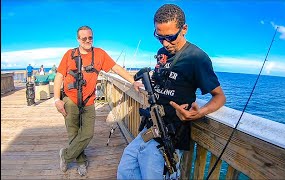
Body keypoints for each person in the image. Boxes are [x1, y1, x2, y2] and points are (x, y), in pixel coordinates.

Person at [117, 4, 226, 179]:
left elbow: (220, 96)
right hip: (149, 128)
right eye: (159, 37)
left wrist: (199, 113)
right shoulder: (162, 52)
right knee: (125, 170)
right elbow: (161, 80)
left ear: (184, 29)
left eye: (170, 37)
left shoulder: (196, 58)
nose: (165, 43)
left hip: (171, 135)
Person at [53, 25, 142, 176]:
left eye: (90, 38)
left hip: (88, 101)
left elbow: (116, 68)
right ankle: (81, 162)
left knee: (87, 134)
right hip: (70, 100)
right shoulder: (69, 54)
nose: (88, 41)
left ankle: (66, 155)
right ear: (78, 39)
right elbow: (59, 76)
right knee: (73, 134)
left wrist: (133, 81)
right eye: (84, 38)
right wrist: (56, 99)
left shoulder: (99, 54)